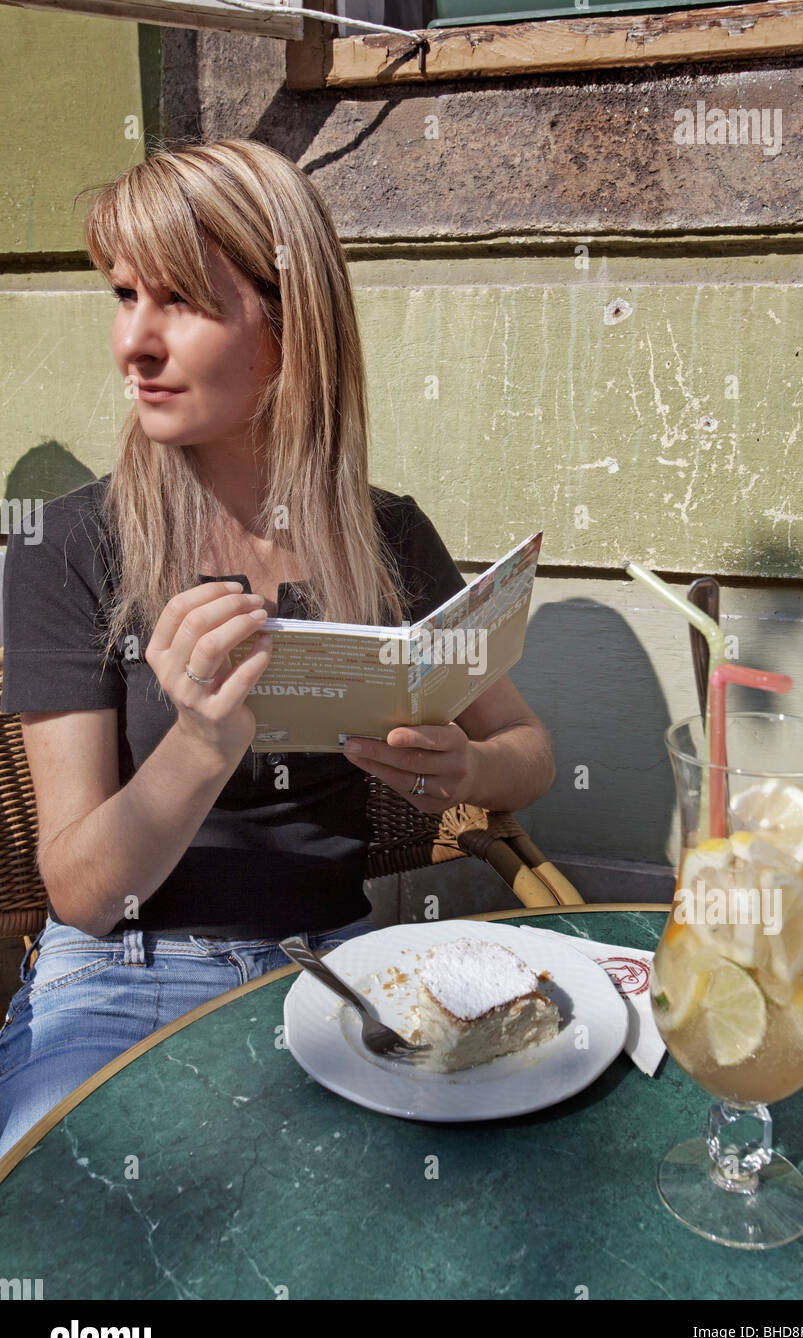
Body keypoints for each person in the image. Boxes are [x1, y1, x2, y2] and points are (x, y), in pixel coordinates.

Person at [0, 138, 556, 1159]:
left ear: (290, 325)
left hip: (341, 968)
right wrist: (200, 745)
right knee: (72, 1233)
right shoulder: (68, 544)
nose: (135, 342)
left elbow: (527, 747)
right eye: (124, 296)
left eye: (179, 301)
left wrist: (462, 768)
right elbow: (81, 889)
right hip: (125, 976)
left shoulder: (384, 536)